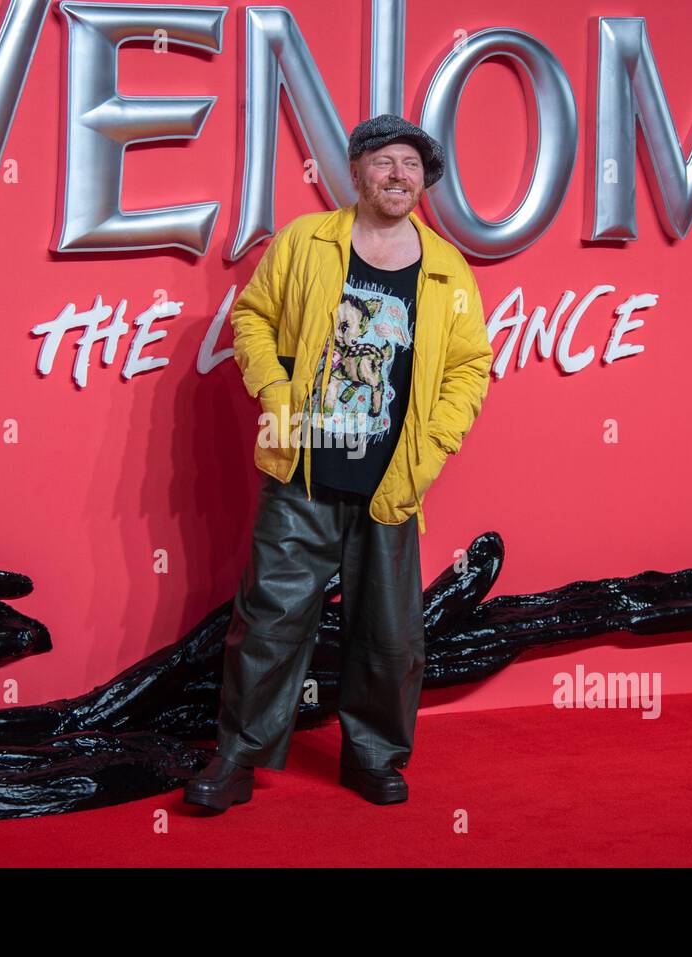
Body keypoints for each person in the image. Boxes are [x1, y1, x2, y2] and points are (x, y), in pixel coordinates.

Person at [184, 114, 493, 811]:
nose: (397, 175)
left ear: (424, 181)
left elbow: (471, 368)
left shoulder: (447, 269)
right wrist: (271, 386)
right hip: (305, 471)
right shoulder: (306, 242)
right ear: (354, 172)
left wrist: (435, 445)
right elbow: (253, 317)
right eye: (383, 161)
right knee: (268, 620)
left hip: (391, 479)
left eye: (410, 166)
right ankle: (236, 759)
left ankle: (372, 757)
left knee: (389, 635)